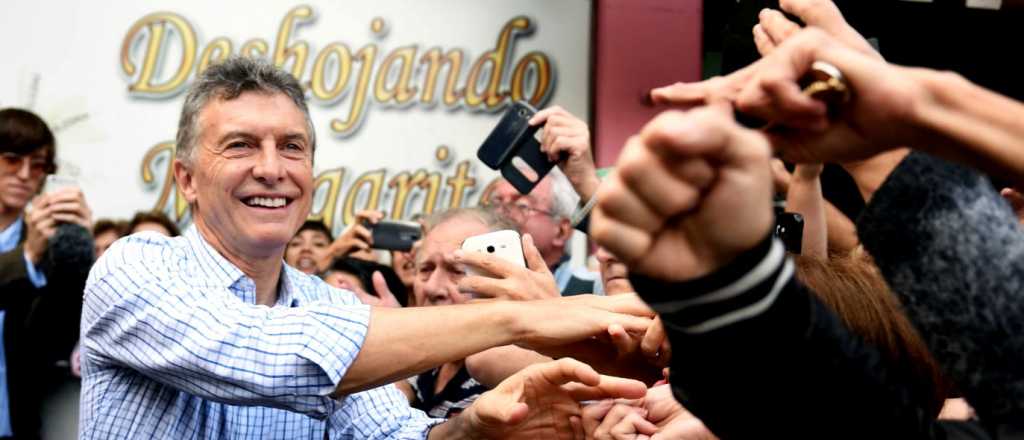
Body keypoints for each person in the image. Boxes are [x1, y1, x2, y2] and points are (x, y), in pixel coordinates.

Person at [80, 56, 653, 439]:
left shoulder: (331, 305)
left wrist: (475, 428)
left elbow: (392, 434)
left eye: (292, 147)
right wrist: (522, 318)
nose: (272, 169)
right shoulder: (134, 268)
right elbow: (270, 357)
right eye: (240, 145)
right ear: (185, 179)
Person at [0, 108, 93, 438]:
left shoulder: (48, 242)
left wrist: (78, 250)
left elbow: (58, 341)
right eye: (12, 160)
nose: (25, 174)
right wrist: (26, 257)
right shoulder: (33, 247)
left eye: (38, 165)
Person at [485, 106, 603, 295]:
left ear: (562, 231)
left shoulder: (595, 290)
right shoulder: (470, 290)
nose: (501, 213)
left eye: (522, 206)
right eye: (496, 203)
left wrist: (585, 181)